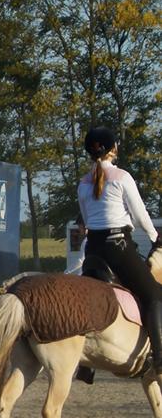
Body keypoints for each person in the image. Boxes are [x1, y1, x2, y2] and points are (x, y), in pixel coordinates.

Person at [78, 126, 162, 374]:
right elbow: (140, 215)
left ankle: (85, 365)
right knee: (154, 295)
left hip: (93, 248)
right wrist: (155, 237)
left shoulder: (83, 183)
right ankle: (159, 358)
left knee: (87, 301)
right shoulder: (122, 177)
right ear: (113, 148)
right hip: (118, 246)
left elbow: (86, 220)